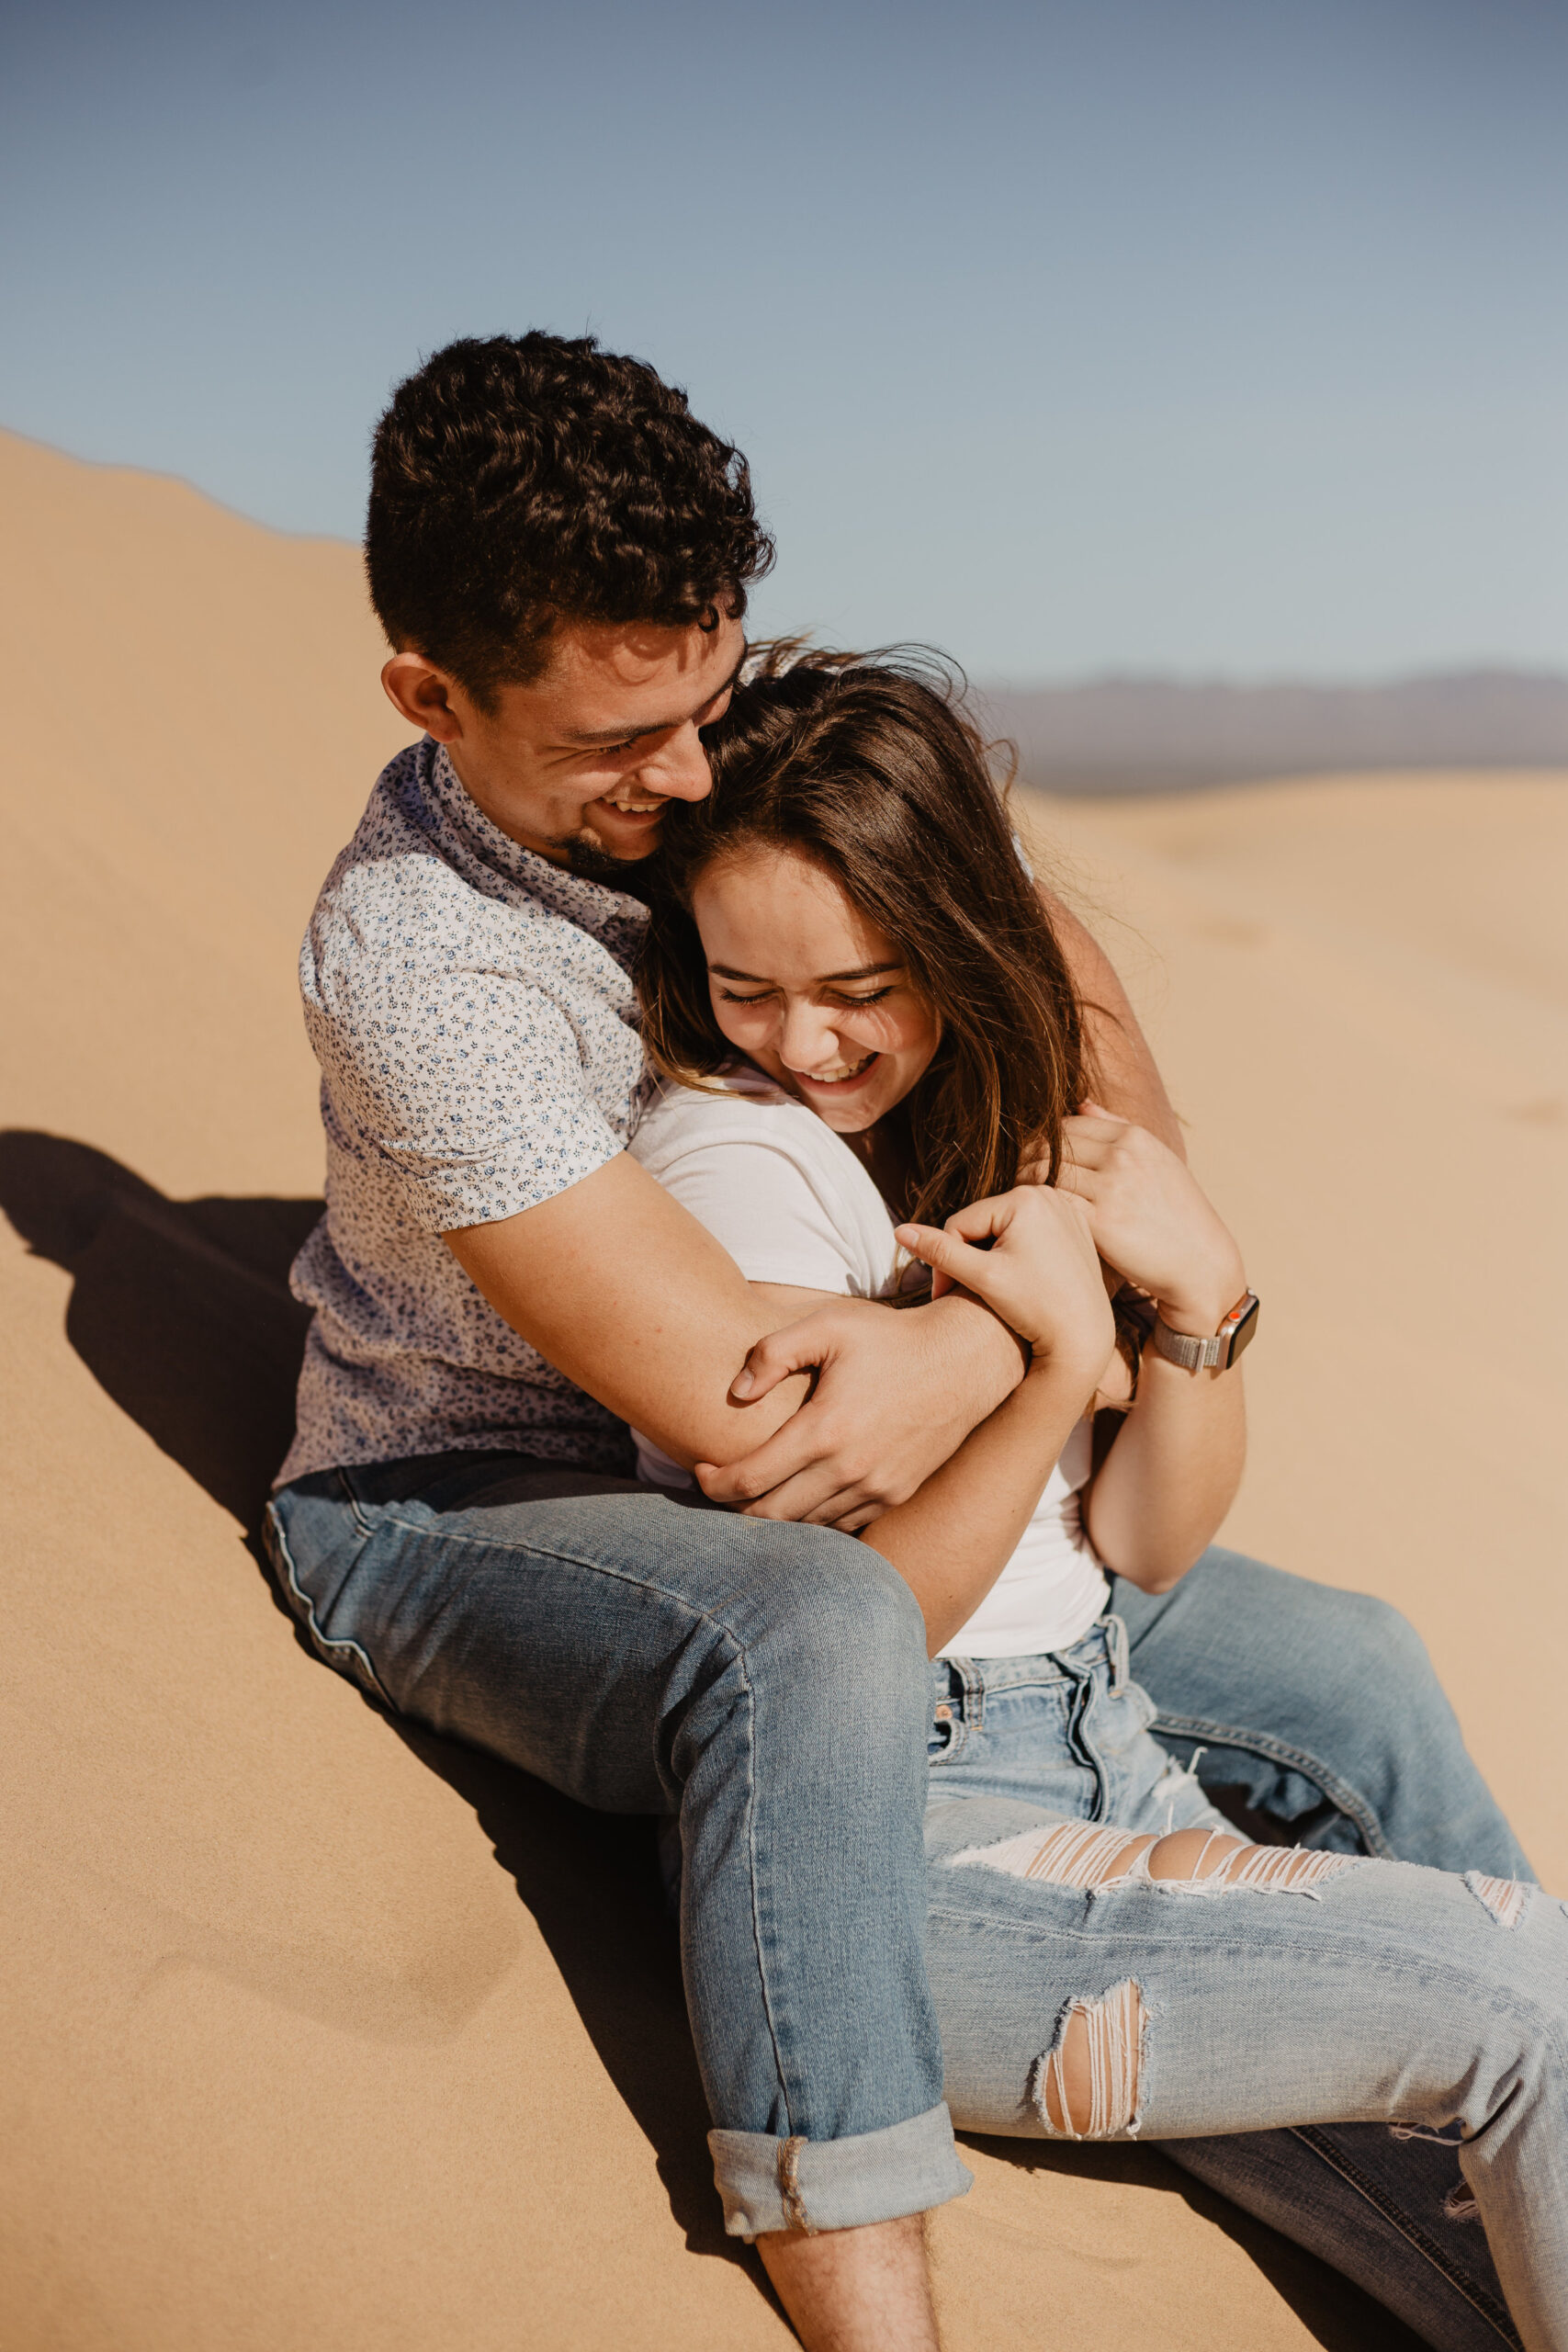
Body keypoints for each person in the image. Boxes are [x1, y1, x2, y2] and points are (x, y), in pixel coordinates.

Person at [263, 331, 1530, 2350]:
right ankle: (858, 2267)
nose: (680, 781)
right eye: (620, 743)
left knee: (1350, 1663)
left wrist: (1117, 1257)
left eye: (704, 701)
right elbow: (757, 1408)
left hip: (897, 1470)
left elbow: (1035, 973)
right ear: (434, 694)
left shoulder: (687, 758)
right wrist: (1022, 1337)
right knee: (809, 1632)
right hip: (484, 1489)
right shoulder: (428, 956)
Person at [627, 648, 1562, 2349]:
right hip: (908, 1846)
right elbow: (823, 1644)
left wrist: (1200, 1299)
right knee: (1529, 2000)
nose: (805, 1042)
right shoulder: (745, 1171)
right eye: (744, 984)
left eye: (860, 984)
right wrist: (1051, 1366)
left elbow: (1140, 1545)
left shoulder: (987, 1119)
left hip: (1100, 1748)